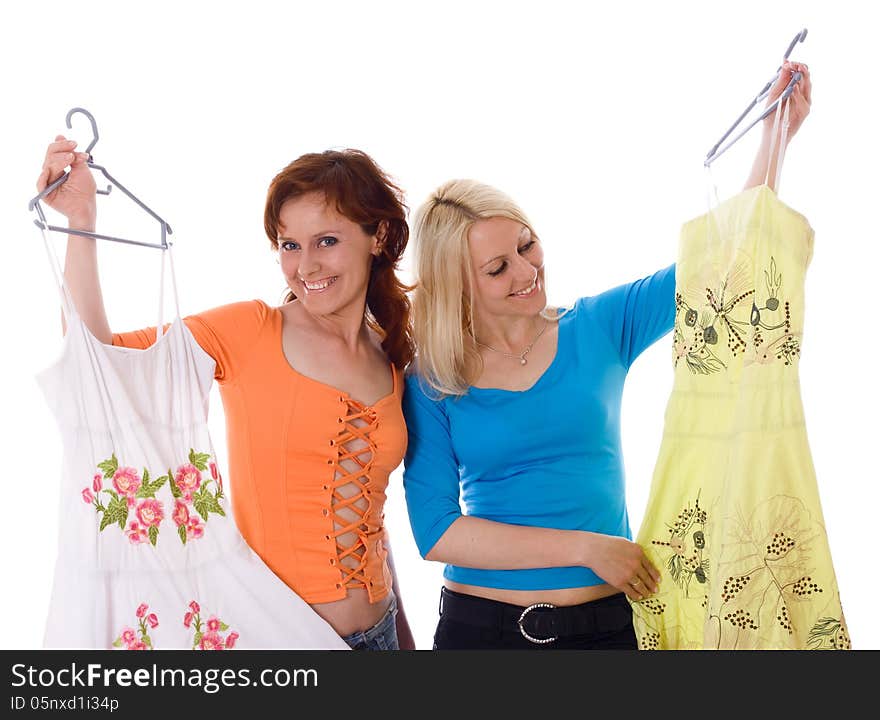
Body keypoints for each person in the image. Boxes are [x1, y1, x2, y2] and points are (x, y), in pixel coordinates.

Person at [403, 60, 812, 649]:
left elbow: (719, 263)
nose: (526, 271)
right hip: (479, 629)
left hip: (605, 628)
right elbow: (437, 531)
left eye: (526, 244)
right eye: (498, 268)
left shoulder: (599, 325)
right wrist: (585, 547)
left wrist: (777, 135)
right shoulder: (434, 379)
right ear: (458, 286)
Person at [36, 142, 416, 650]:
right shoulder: (250, 331)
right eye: (289, 245)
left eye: (326, 240)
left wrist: (405, 639)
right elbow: (98, 360)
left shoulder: (390, 354)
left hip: (380, 634)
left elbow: (372, 522)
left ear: (380, 235)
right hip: (279, 642)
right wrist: (81, 224)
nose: (306, 266)